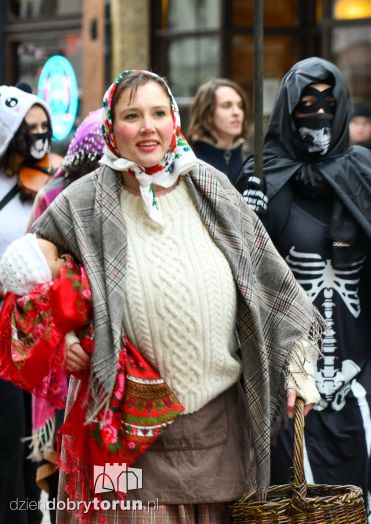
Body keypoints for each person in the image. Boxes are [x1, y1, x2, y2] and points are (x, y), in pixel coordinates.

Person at [10, 69, 321, 517]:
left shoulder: (212, 187)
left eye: (158, 113)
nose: (147, 126)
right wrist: (65, 337)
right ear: (112, 128)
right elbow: (22, 285)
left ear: (174, 119)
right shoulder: (80, 203)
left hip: (220, 432)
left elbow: (274, 284)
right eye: (132, 115)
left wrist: (297, 364)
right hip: (121, 438)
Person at [240, 57, 371, 522]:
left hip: (366, 366)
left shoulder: (370, 175)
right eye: (306, 104)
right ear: (287, 110)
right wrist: (247, 212)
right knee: (303, 499)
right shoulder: (262, 177)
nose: (317, 115)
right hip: (293, 375)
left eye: (328, 103)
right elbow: (241, 278)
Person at [24, 109, 104, 498]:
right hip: (65, 360)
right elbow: (33, 287)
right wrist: (68, 337)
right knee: (67, 472)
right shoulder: (54, 198)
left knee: (114, 472)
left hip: (118, 363)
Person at [0, 86, 59, 524]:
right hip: (4, 325)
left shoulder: (52, 180)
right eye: (28, 129)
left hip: (44, 327)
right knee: (7, 433)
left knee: (38, 437)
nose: (39, 138)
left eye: (44, 128)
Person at [186, 78, 248, 183]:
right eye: (227, 106)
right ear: (208, 114)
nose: (237, 112)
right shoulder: (189, 161)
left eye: (240, 106)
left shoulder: (250, 163)